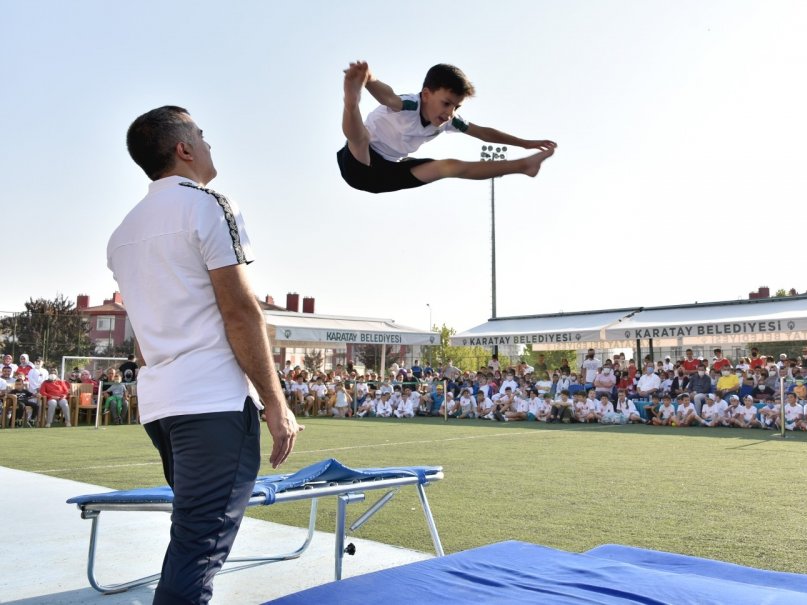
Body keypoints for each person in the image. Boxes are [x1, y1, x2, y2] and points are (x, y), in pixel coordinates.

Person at [109, 105, 301, 604]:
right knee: (199, 550)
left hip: (162, 409)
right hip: (212, 404)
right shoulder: (210, 204)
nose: (209, 142)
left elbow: (144, 340)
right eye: (201, 133)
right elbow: (241, 312)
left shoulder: (122, 233)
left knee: (191, 540)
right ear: (184, 148)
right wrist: (276, 404)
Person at [338, 61, 556, 194]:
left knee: (449, 166)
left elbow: (483, 133)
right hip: (358, 164)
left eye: (456, 106)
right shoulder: (409, 105)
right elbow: (388, 97)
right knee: (361, 139)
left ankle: (523, 166)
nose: (450, 112)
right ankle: (351, 103)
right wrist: (370, 79)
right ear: (426, 94)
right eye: (446, 103)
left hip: (388, 172)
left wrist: (525, 144)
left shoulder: (450, 120)